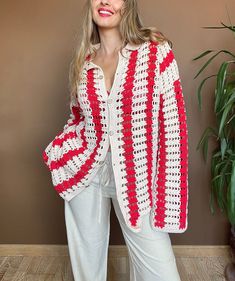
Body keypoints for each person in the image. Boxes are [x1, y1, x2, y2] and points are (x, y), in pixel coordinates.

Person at [42, 0, 189, 280]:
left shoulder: (156, 53)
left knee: (161, 273)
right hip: (87, 177)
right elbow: (77, 118)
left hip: (138, 182)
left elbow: (173, 130)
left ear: (128, 4)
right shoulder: (84, 62)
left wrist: (167, 195)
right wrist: (62, 150)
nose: (105, 1)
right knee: (87, 269)